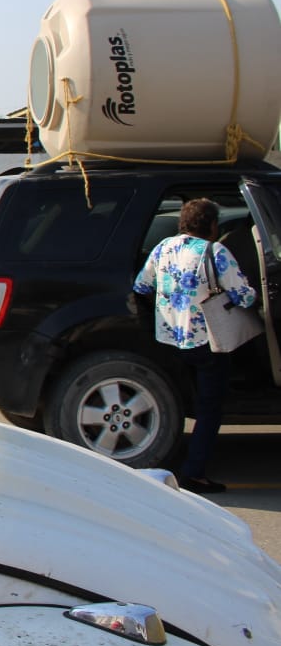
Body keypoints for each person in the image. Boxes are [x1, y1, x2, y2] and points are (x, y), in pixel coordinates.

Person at [134, 197, 256, 494]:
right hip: (205, 341)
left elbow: (142, 285)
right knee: (210, 408)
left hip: (169, 338)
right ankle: (194, 473)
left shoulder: (163, 248)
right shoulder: (214, 252)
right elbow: (245, 296)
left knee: (183, 397)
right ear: (212, 226)